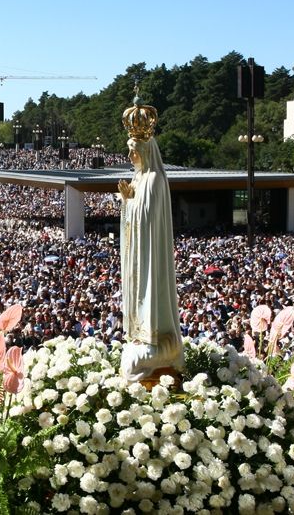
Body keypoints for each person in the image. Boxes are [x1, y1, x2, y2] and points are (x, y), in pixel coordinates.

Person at [116, 95, 184, 382]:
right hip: (137, 253)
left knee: (151, 291)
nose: (132, 157)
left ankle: (156, 340)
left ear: (146, 149)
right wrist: (126, 199)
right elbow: (134, 214)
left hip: (149, 252)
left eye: (135, 151)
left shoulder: (155, 179)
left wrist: (131, 202)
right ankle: (139, 336)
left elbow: (148, 219)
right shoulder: (138, 178)